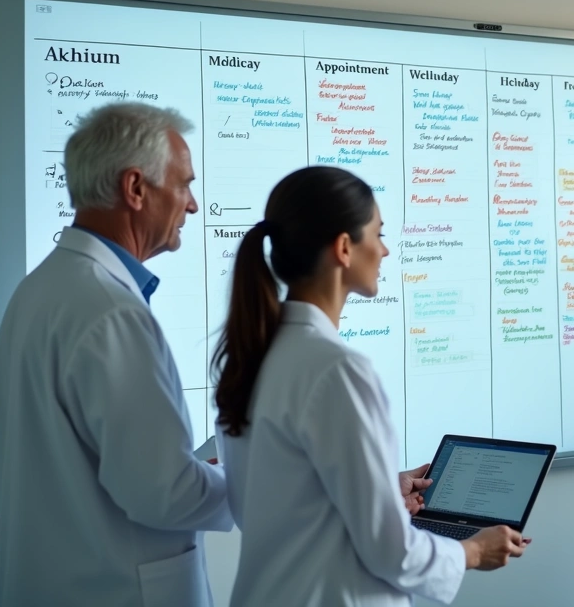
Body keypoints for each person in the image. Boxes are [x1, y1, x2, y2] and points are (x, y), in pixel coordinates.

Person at [211, 166, 528, 607]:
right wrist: (473, 550)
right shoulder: (337, 370)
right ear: (344, 248)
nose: (385, 250)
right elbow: (391, 552)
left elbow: (280, 497)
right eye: (378, 234)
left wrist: (380, 486)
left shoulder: (251, 357)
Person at [0, 102, 233, 607]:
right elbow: (164, 494)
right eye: (184, 184)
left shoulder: (41, 289)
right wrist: (266, 484)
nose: (192, 205)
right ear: (136, 188)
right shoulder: (111, 312)